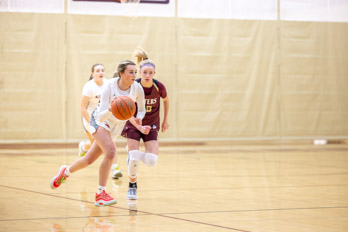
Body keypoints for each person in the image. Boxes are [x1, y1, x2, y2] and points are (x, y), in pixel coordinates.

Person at [50, 60, 147, 207]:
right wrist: (111, 109)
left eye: (135, 72)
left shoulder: (137, 88)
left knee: (88, 160)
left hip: (116, 125)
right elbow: (101, 115)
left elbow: (140, 109)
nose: (134, 75)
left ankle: (66, 172)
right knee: (111, 151)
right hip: (99, 120)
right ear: (122, 73)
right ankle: (100, 193)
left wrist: (139, 122)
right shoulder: (110, 86)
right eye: (131, 72)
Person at [121, 48, 169, 200]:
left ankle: (132, 154)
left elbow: (166, 101)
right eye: (145, 72)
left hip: (152, 124)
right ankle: (132, 185)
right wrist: (135, 124)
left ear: (154, 74)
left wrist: (165, 120)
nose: (148, 75)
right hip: (134, 123)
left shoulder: (159, 87)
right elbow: (126, 107)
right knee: (134, 158)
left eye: (151, 73)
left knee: (151, 161)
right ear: (140, 72)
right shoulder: (133, 86)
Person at [79, 64, 123, 179]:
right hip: (89, 117)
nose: (100, 73)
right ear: (93, 74)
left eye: (102, 70)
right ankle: (84, 147)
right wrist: (92, 123)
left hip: (103, 117)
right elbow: (82, 109)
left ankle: (115, 169)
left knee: (109, 142)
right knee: (97, 145)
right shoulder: (89, 86)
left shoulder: (108, 84)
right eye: (97, 71)